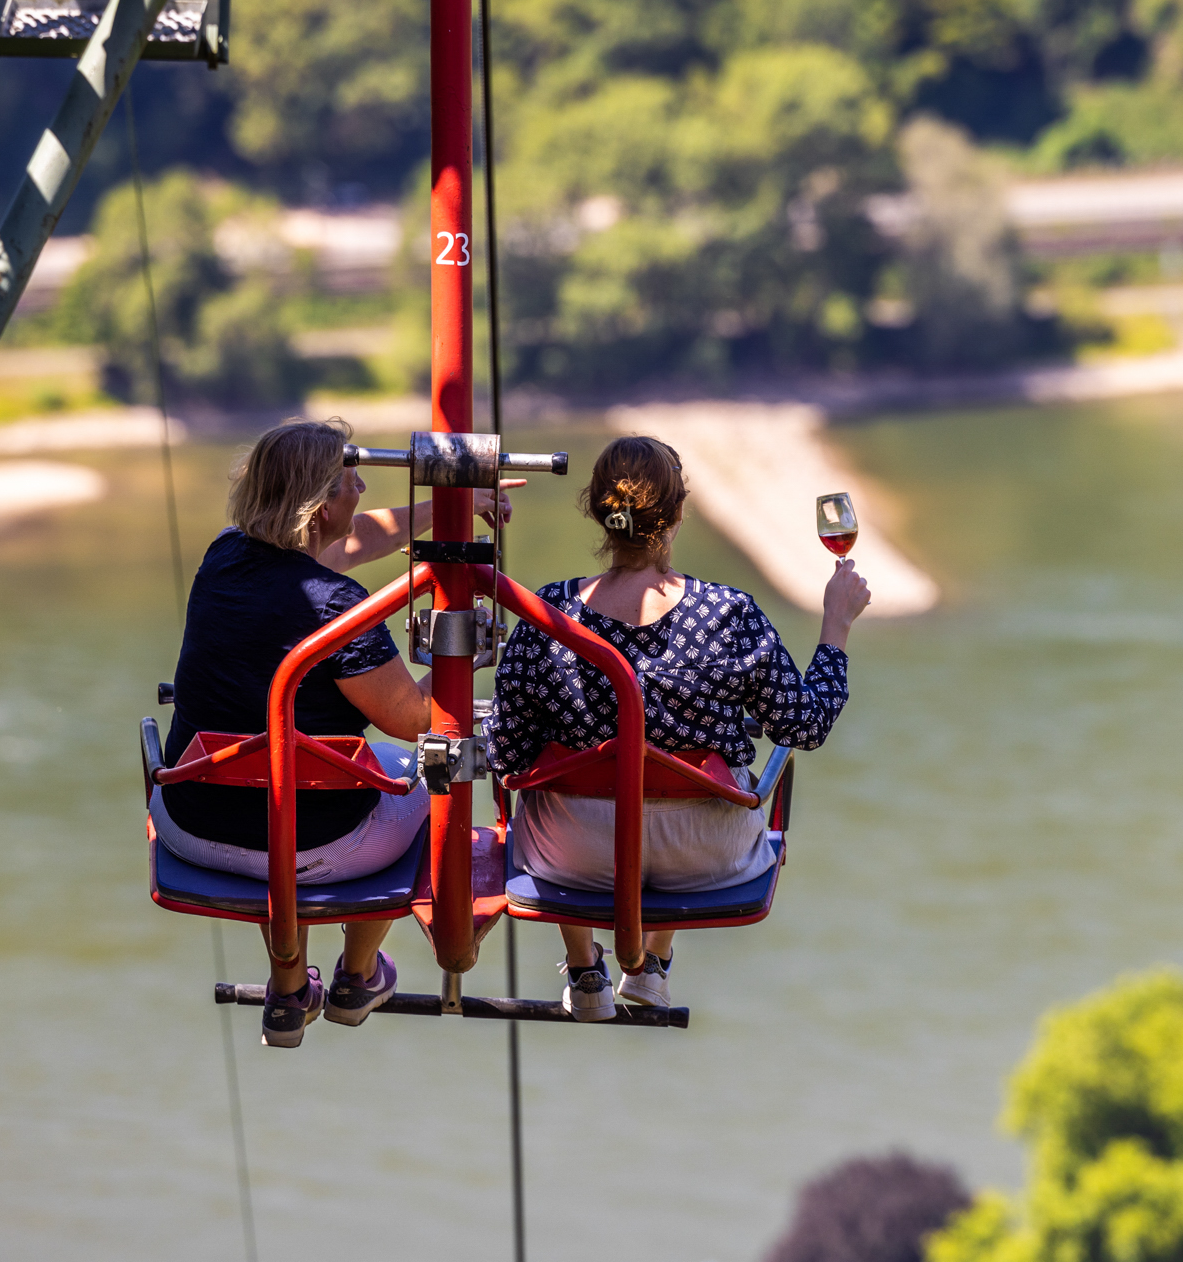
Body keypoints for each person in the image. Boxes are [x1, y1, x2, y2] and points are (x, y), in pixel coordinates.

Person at [154, 418, 514, 1047]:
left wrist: (447, 506)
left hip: (191, 825)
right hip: (307, 849)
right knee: (426, 773)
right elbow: (409, 718)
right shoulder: (337, 606)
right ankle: (358, 972)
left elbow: (345, 545)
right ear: (320, 507)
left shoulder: (223, 557)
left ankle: (288, 984)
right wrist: (462, 647)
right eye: (353, 481)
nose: (364, 489)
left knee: (274, 769)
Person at [487, 435, 870, 1020]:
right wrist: (835, 626)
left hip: (572, 856)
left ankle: (586, 968)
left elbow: (506, 753)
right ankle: (651, 967)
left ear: (597, 510)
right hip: (706, 856)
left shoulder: (546, 615)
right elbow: (805, 723)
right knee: (697, 757)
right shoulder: (727, 614)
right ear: (678, 513)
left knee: (556, 767)